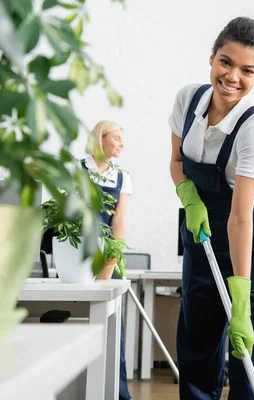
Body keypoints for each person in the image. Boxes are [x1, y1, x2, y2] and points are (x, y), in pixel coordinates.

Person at [168, 17, 254, 400]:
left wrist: (240, 301)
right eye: (225, 62)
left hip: (252, 240)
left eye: (247, 70)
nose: (232, 76)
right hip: (202, 232)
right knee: (197, 346)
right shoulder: (188, 99)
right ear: (212, 58)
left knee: (244, 353)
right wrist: (189, 196)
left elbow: (240, 217)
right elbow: (176, 161)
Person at [83, 120, 133, 400]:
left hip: (106, 260)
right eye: (117, 138)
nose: (121, 144)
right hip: (77, 256)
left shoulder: (122, 176)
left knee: (113, 332)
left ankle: (117, 394)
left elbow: (119, 222)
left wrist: (110, 264)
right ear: (100, 139)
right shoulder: (76, 169)